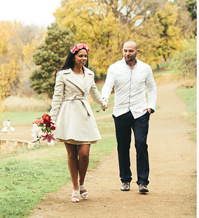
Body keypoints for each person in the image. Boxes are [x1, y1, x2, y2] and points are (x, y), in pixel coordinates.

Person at [49, 43, 107, 203]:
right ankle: (75, 187)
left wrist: (103, 103)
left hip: (84, 115)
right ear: (73, 57)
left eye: (85, 56)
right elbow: (57, 98)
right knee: (71, 154)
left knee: (84, 153)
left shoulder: (89, 74)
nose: (84, 58)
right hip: (68, 115)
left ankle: (82, 182)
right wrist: (52, 119)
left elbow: (94, 93)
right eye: (80, 56)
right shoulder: (63, 74)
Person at [101, 41, 157, 194]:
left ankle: (143, 182)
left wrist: (151, 106)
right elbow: (107, 85)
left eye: (130, 51)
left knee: (141, 144)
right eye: (125, 50)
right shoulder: (114, 68)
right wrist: (104, 98)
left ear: (137, 51)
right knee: (123, 147)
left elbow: (152, 88)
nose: (127, 53)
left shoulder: (145, 68)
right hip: (121, 113)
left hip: (140, 112)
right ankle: (125, 180)